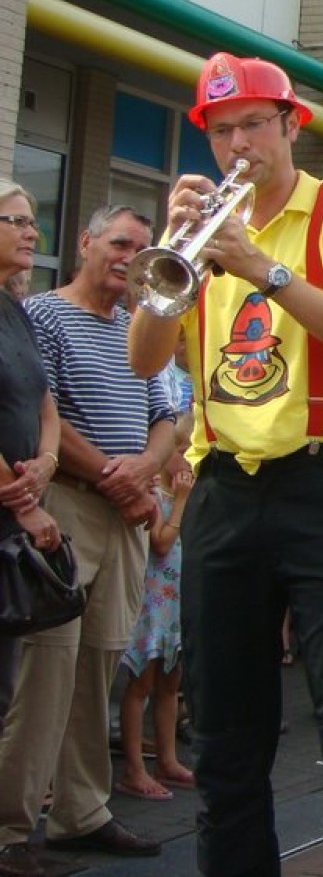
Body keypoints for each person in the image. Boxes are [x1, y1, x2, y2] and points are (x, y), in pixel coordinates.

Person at [127, 52, 323, 877]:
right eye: (221, 131)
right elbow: (144, 359)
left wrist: (259, 265)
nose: (238, 147)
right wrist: (174, 251)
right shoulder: (200, 233)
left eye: (254, 125)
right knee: (225, 740)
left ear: (291, 124)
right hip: (226, 492)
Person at [0, 203, 174, 868]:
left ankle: (82, 812)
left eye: (141, 249)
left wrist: (147, 468)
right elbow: (43, 413)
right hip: (70, 508)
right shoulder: (42, 315)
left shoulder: (139, 328)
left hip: (126, 518)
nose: (130, 258)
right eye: (120, 243)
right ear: (85, 242)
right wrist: (112, 475)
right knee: (46, 673)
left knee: (100, 665)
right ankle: (11, 826)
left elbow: (166, 417)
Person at [0, 183, 67, 877]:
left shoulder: (15, 309)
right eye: (16, 221)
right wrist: (21, 500)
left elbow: (45, 400)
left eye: (31, 220)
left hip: (15, 519)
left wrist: (46, 461)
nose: (31, 231)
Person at [116, 426, 196, 800]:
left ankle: (167, 759)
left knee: (170, 682)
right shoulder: (153, 493)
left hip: (176, 599)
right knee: (141, 683)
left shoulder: (184, 491)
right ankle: (134, 769)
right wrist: (180, 501)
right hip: (151, 600)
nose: (188, 459)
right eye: (183, 450)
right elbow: (161, 542)